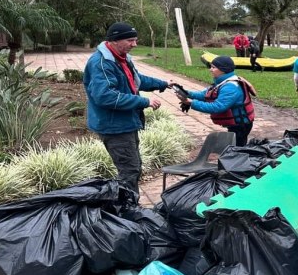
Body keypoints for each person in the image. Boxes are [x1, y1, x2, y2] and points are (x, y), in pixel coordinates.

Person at [83, 21, 171, 195]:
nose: (135, 44)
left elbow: (136, 80)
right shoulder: (102, 63)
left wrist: (163, 83)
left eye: (135, 40)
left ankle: (129, 206)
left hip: (126, 122)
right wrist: (144, 102)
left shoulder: (120, 58)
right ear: (115, 40)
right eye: (130, 40)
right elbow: (105, 96)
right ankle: (127, 211)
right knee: (129, 171)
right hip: (114, 125)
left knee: (133, 167)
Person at [175, 56, 256, 146]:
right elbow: (204, 95)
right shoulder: (223, 82)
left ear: (223, 70)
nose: (210, 69)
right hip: (236, 124)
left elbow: (218, 107)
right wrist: (186, 93)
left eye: (213, 67)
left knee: (237, 151)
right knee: (234, 149)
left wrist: (191, 103)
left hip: (241, 125)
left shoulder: (231, 87)